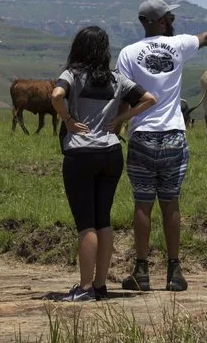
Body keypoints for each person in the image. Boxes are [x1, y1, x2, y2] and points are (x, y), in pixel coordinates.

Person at [117, 0, 207, 292]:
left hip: (143, 135)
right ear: (161, 22)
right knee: (171, 202)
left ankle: (141, 271)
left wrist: (118, 123)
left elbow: (123, 94)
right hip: (174, 133)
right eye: (170, 17)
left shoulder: (127, 53)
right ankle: (175, 272)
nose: (173, 20)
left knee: (142, 204)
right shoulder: (177, 45)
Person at [51, 26, 157, 302]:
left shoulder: (71, 75)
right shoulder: (117, 79)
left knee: (86, 224)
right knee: (103, 221)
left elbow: (55, 96)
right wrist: (123, 118)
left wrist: (67, 120)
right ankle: (100, 284)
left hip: (80, 153)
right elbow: (149, 99)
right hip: (110, 153)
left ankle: (84, 288)